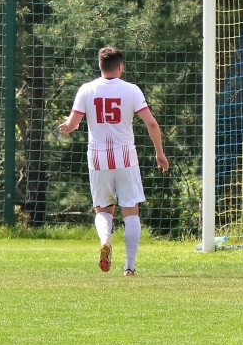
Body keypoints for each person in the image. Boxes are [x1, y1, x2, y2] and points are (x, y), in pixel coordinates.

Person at [59, 46, 169, 276]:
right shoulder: (132, 90)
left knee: (103, 209)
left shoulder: (86, 90)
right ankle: (129, 267)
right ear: (120, 66)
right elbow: (151, 123)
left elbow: (71, 124)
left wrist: (67, 128)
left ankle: (106, 240)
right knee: (131, 210)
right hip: (126, 157)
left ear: (100, 66)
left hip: (98, 158)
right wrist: (159, 152)